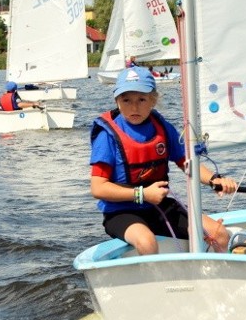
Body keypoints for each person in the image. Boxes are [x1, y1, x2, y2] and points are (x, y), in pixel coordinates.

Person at [89, 66, 238, 255]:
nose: (134, 107)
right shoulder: (107, 136)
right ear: (117, 101)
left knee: (219, 234)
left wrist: (214, 180)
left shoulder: (163, 129)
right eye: (126, 100)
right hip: (120, 212)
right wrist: (142, 194)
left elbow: (188, 163)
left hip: (158, 206)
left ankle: (217, 278)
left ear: (153, 100)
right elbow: (98, 188)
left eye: (141, 100)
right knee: (147, 243)